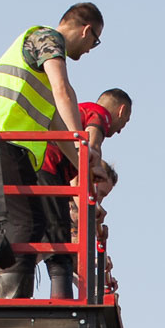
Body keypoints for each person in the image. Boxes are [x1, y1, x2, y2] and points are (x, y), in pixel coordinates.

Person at [0, 4, 105, 301]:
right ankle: (12, 304)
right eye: (95, 41)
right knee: (27, 222)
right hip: (0, 139)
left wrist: (81, 162)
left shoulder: (31, 61)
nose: (92, 49)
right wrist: (82, 141)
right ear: (86, 30)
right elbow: (63, 90)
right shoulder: (48, 39)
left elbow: (56, 124)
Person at [40, 88, 131, 299]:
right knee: (58, 239)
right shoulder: (98, 113)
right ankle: (62, 298)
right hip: (47, 167)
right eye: (124, 123)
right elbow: (90, 148)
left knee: (43, 235)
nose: (119, 131)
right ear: (121, 111)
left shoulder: (79, 114)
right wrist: (92, 207)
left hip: (41, 165)